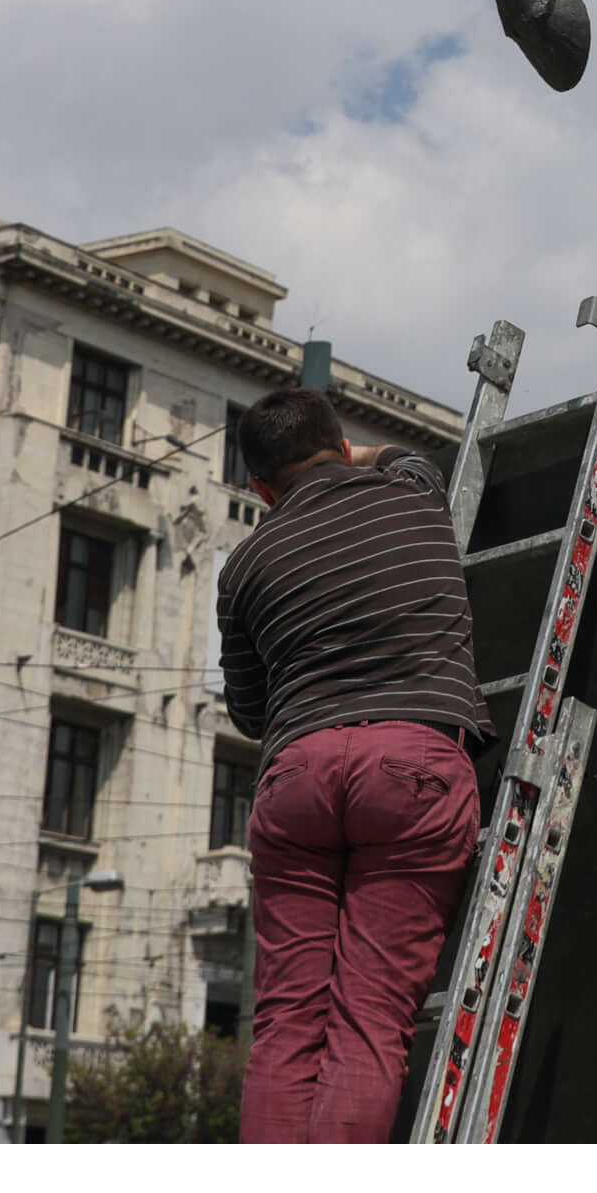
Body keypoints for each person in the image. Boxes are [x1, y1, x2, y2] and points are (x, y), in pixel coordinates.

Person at [217, 380, 489, 1143]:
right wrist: (354, 450)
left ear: (260, 488)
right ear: (341, 449)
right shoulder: (413, 495)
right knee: (369, 1021)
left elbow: (249, 710)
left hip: (299, 775)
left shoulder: (243, 565)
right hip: (412, 766)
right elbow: (406, 458)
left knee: (285, 1021)